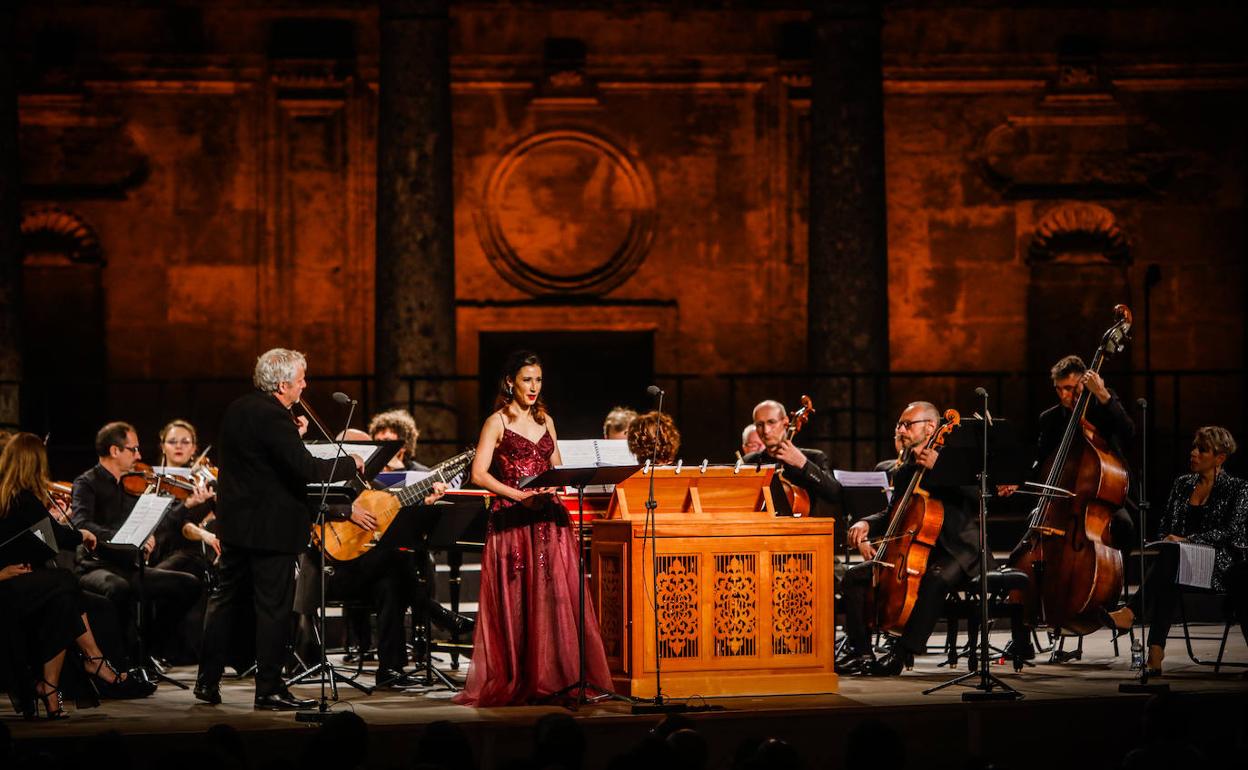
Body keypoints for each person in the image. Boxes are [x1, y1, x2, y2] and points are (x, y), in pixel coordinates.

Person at [194, 348, 365, 710]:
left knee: (225, 602)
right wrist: (351, 463)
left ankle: (206, 681)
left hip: (237, 526)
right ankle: (269, 689)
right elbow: (304, 468)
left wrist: (293, 431)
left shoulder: (240, 408)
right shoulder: (274, 417)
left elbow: (265, 461)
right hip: (269, 530)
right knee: (273, 608)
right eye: (302, 378)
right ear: (284, 383)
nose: (305, 384)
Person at [454, 350, 612, 706]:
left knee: (553, 597)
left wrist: (555, 486)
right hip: (514, 519)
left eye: (538, 380)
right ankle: (522, 676)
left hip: (549, 519)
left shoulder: (547, 420)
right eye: (527, 380)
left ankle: (555, 675)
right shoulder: (497, 421)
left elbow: (555, 465)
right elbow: (479, 473)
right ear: (510, 382)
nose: (533, 387)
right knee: (518, 596)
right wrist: (519, 496)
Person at [0, 433, 152, 719]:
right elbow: (59, 539)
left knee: (63, 600)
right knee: (66, 583)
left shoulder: (14, 499)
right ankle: (94, 661)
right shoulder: (21, 499)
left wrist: (56, 525)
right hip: (5, 588)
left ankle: (50, 690)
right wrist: (80, 533)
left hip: (21, 584)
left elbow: (43, 539)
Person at [839, 402, 981, 675]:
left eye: (908, 424)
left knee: (935, 580)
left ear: (931, 427)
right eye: (900, 424)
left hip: (956, 549)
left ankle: (901, 654)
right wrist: (865, 523)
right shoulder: (905, 471)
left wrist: (941, 467)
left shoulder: (955, 458)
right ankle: (863, 654)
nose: (901, 429)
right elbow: (893, 513)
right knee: (854, 576)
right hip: (913, 549)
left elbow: (978, 497)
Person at [1102, 426, 1248, 676]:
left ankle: (1134, 616)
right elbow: (1165, 527)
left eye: (1202, 450)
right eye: (1193, 447)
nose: (1193, 453)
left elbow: (1233, 533)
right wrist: (1171, 541)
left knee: (1172, 558)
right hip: (1182, 562)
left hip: (1220, 565)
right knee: (1171, 560)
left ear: (1220, 458)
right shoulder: (1182, 484)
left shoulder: (1238, 488)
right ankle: (1154, 653)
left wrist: (1188, 540)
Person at [70, 421, 202, 664]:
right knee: (119, 589)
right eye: (134, 449)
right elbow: (81, 523)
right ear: (114, 451)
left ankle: (150, 647)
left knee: (189, 584)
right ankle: (122, 659)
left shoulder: (133, 483)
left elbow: (156, 523)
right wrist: (124, 536)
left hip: (127, 565)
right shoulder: (86, 483)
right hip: (94, 566)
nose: (139, 455)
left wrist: (155, 527)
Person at [742, 400, 841, 517]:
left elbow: (835, 494)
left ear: (785, 422)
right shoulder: (750, 461)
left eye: (771, 422)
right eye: (759, 424)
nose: (766, 431)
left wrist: (803, 464)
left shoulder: (813, 457)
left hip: (804, 532)